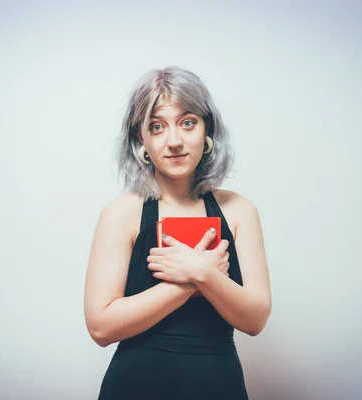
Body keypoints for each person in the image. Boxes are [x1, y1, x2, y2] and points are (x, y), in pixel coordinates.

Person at [84, 66, 272, 399]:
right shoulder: (120, 214)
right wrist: (189, 281)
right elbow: (100, 327)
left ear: (207, 129)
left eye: (187, 123)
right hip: (134, 387)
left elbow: (255, 320)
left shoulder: (239, 211)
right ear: (141, 138)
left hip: (218, 385)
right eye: (157, 127)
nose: (174, 142)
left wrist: (201, 272)